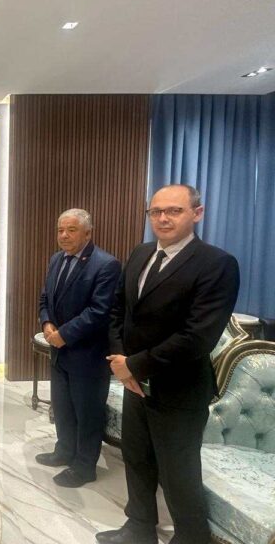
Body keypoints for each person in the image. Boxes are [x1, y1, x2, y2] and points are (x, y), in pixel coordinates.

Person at [97, 184, 240, 544]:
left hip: (180, 388)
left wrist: (135, 365)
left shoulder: (217, 264)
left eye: (174, 210)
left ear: (197, 213)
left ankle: (191, 537)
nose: (163, 218)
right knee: (137, 458)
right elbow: (118, 310)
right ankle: (139, 527)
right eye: (156, 211)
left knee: (179, 472)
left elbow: (197, 337)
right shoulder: (141, 252)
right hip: (134, 383)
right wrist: (120, 361)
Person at [36, 208, 120, 487]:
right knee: (63, 407)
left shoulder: (106, 265)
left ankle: (84, 467)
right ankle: (64, 451)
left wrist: (65, 335)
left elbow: (99, 311)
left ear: (87, 233)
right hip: (59, 351)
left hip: (88, 354)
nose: (64, 235)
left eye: (71, 230)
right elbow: (45, 298)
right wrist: (47, 323)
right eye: (60, 230)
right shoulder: (56, 259)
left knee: (87, 413)